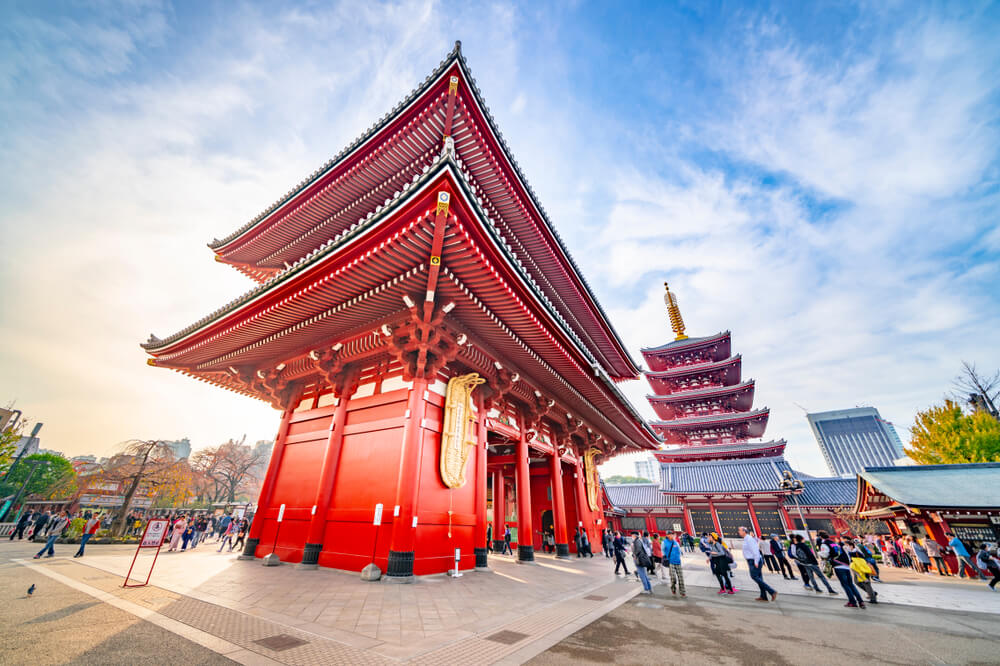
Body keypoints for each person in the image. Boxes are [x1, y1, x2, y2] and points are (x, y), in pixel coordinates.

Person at [739, 527, 777, 602]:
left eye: (739, 530)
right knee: (759, 578)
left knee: (754, 576)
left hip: (754, 561)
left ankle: (772, 591)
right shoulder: (747, 539)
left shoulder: (749, 539)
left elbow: (755, 550)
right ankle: (763, 596)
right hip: (753, 560)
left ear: (744, 531)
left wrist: (756, 562)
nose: (738, 532)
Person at [830, 537, 865, 608]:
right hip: (847, 567)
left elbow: (830, 554)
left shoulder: (836, 546)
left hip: (839, 567)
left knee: (845, 585)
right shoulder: (846, 546)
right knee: (851, 584)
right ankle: (860, 601)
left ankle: (852, 602)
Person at [661, 532, 686, 597]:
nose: (672, 535)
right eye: (670, 534)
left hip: (678, 562)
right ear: (667, 535)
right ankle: (673, 588)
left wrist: (680, 556)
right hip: (670, 562)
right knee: (673, 578)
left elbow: (679, 551)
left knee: (681, 577)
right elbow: (662, 551)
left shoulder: (676, 542)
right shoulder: (664, 542)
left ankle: (682, 591)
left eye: (672, 534)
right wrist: (665, 557)